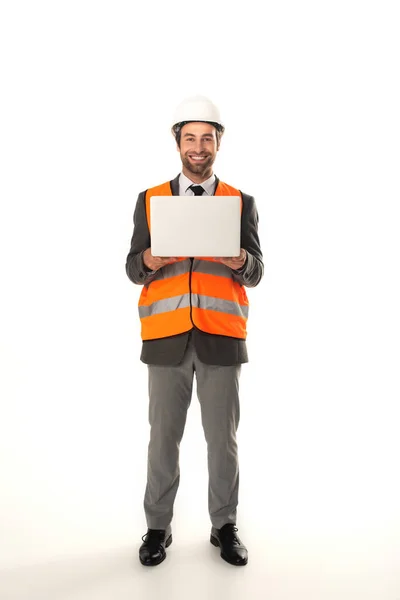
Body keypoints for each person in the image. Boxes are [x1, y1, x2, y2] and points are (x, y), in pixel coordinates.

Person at [125, 95, 264, 567]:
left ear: (219, 143)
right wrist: (149, 260)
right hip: (166, 340)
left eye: (208, 138)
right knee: (162, 438)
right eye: (191, 138)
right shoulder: (150, 201)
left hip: (221, 337)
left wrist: (239, 261)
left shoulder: (240, 202)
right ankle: (156, 529)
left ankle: (224, 526)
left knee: (221, 440)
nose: (199, 147)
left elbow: (257, 270)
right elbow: (131, 267)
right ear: (178, 142)